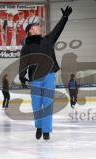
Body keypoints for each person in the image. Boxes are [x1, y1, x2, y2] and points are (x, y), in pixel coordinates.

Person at [19, 6, 72, 141]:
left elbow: (58, 29)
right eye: (36, 27)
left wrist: (64, 17)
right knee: (37, 105)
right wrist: (22, 76)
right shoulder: (26, 47)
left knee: (48, 104)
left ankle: (46, 130)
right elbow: (23, 62)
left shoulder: (48, 40)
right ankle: (39, 126)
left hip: (49, 76)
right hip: (35, 78)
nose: (39, 28)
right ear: (30, 31)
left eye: (39, 26)